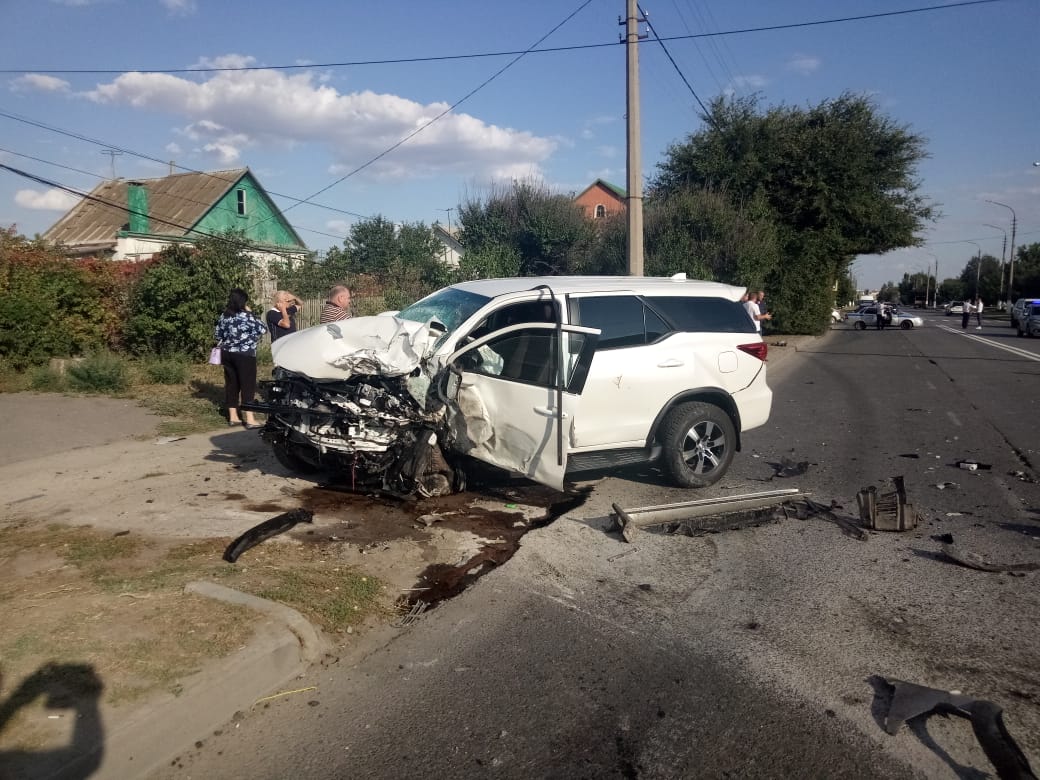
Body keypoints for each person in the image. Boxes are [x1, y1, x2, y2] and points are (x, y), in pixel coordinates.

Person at [215, 288, 267, 428]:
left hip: (227, 354)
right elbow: (263, 329)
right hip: (245, 355)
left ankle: (233, 417)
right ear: (243, 301)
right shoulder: (246, 316)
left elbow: (218, 335)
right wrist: (250, 313)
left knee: (232, 384)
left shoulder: (224, 316)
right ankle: (249, 419)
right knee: (247, 385)